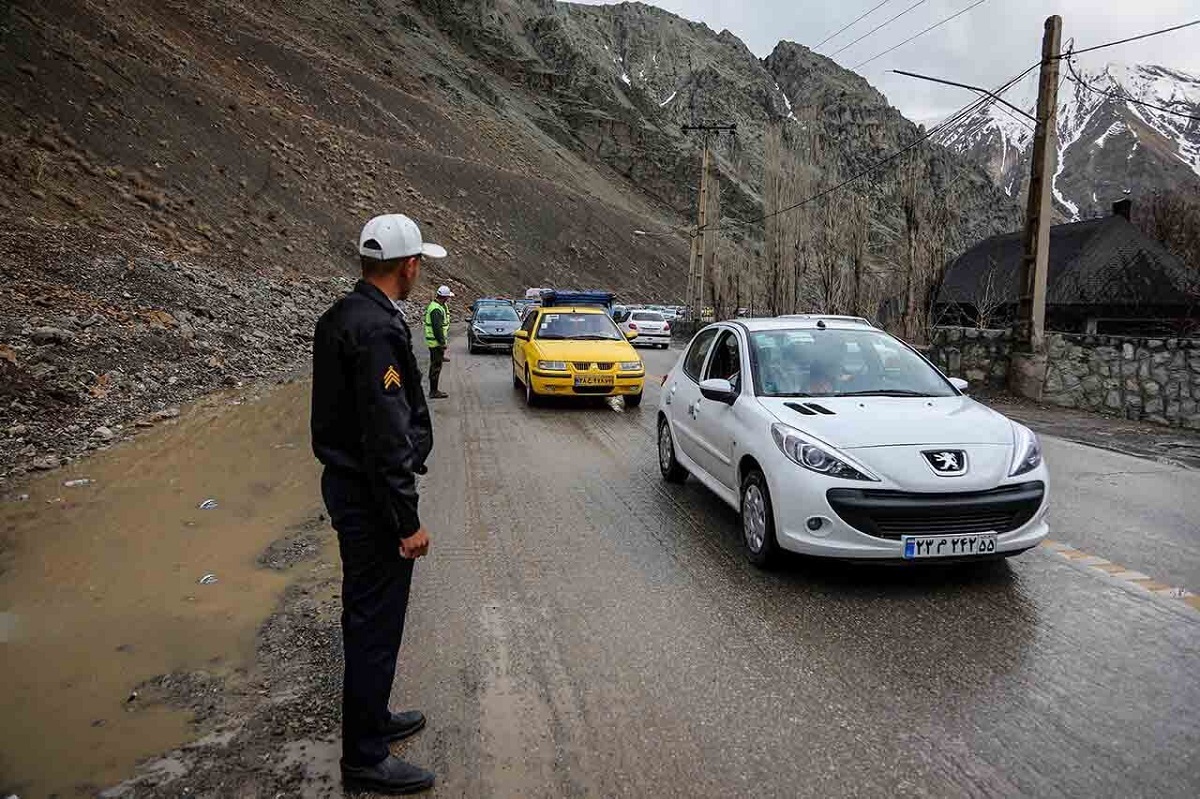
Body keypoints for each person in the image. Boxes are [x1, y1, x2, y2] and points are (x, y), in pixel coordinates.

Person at [310, 213, 446, 795]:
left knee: (367, 617)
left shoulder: (340, 316)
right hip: (371, 499)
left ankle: (374, 719)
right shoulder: (379, 331)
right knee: (375, 622)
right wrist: (407, 520)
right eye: (420, 264)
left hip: (349, 488)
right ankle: (364, 756)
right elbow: (385, 435)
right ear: (408, 265)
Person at [423, 285, 454, 399]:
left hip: (434, 343)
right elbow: (437, 328)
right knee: (436, 366)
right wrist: (442, 343)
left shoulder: (436, 306)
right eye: (448, 297)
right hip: (435, 343)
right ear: (444, 297)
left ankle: (434, 389)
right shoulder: (436, 309)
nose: (449, 299)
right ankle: (433, 391)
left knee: (435, 364)